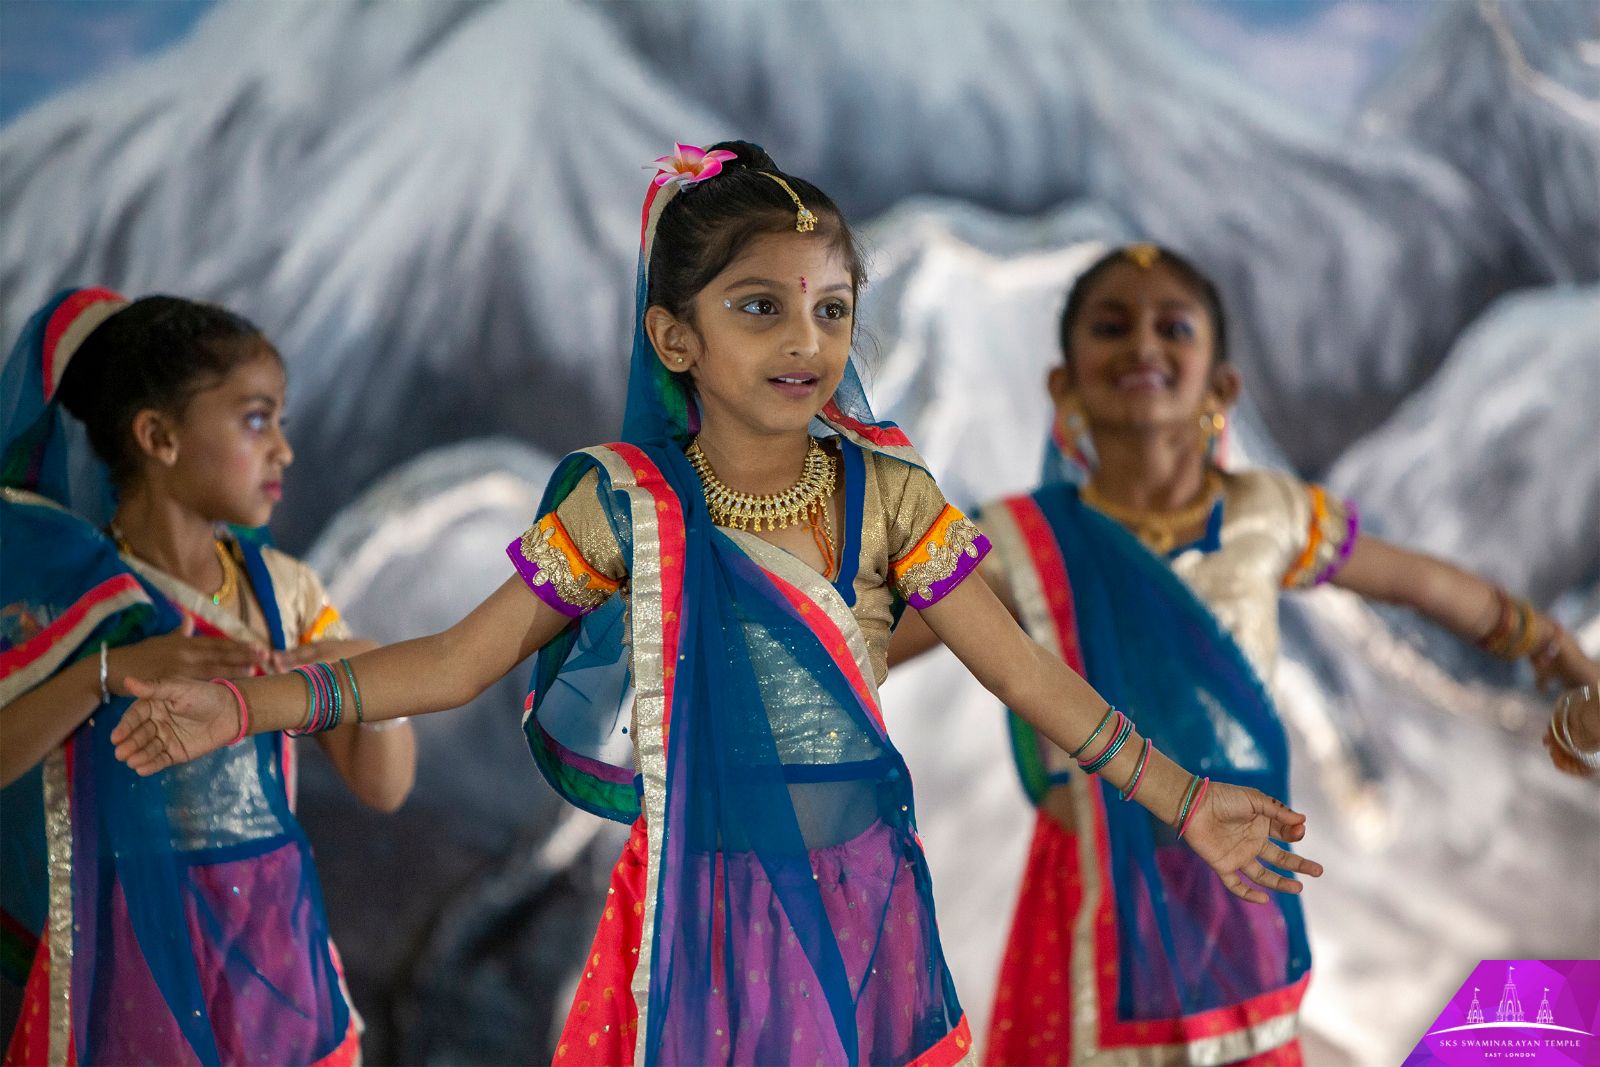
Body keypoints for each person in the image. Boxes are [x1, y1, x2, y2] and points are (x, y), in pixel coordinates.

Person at [108, 147, 1319, 1067]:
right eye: (759, 306)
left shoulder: (890, 494)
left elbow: (1023, 672)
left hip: (863, 907)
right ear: (672, 336)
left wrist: (1187, 799)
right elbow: (454, 661)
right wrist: (245, 706)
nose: (805, 339)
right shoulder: (625, 505)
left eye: (831, 308)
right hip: (695, 913)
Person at [890, 243, 1600, 1065]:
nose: (1143, 345)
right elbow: (878, 645)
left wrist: (1550, 648)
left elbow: (1418, 582)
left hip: (1236, 890)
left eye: (1174, 328)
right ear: (1063, 385)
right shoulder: (1023, 540)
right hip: (1089, 900)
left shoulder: (1268, 515)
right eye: (1112, 327)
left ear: (1222, 388)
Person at [0, 290, 416, 1065]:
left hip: (274, 955)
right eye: (257, 419)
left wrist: (372, 683)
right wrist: (104, 673)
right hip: (128, 961)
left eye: (281, 421)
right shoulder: (74, 599)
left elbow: (382, 786)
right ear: (158, 436)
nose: (283, 450)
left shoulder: (286, 595)